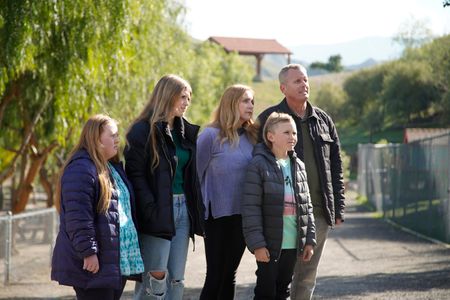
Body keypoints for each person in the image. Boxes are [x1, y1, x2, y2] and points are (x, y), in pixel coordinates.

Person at [257, 64, 345, 300]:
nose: (304, 84)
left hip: (317, 212)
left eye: (305, 80)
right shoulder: (268, 119)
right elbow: (256, 163)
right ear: (283, 88)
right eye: (297, 81)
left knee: (307, 276)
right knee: (277, 277)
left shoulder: (323, 120)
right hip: (281, 214)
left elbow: (336, 165)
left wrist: (339, 206)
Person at [124, 74, 205, 300]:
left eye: (189, 98)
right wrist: (150, 209)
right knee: (155, 279)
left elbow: (191, 176)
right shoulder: (141, 131)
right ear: (167, 95)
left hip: (183, 211)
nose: (186, 102)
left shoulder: (184, 132)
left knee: (177, 279)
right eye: (182, 96)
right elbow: (135, 176)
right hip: (157, 210)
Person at [51, 114, 144, 300]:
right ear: (96, 138)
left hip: (113, 261)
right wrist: (88, 252)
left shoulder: (111, 167)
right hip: (94, 262)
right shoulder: (82, 169)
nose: (118, 139)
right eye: (113, 135)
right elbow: (78, 218)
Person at [242, 112, 316, 300]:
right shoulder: (258, 165)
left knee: (283, 290)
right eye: (286, 133)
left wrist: (309, 240)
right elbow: (251, 208)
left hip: (293, 243)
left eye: (294, 133)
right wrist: (258, 244)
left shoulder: (298, 165)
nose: (292, 137)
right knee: (266, 291)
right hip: (270, 244)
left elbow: (307, 206)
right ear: (270, 136)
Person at [196, 84, 258, 299]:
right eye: (245, 101)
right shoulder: (210, 136)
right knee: (215, 275)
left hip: (243, 215)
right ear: (231, 104)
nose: (251, 105)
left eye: (252, 101)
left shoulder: (252, 136)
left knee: (229, 274)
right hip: (216, 216)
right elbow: (194, 177)